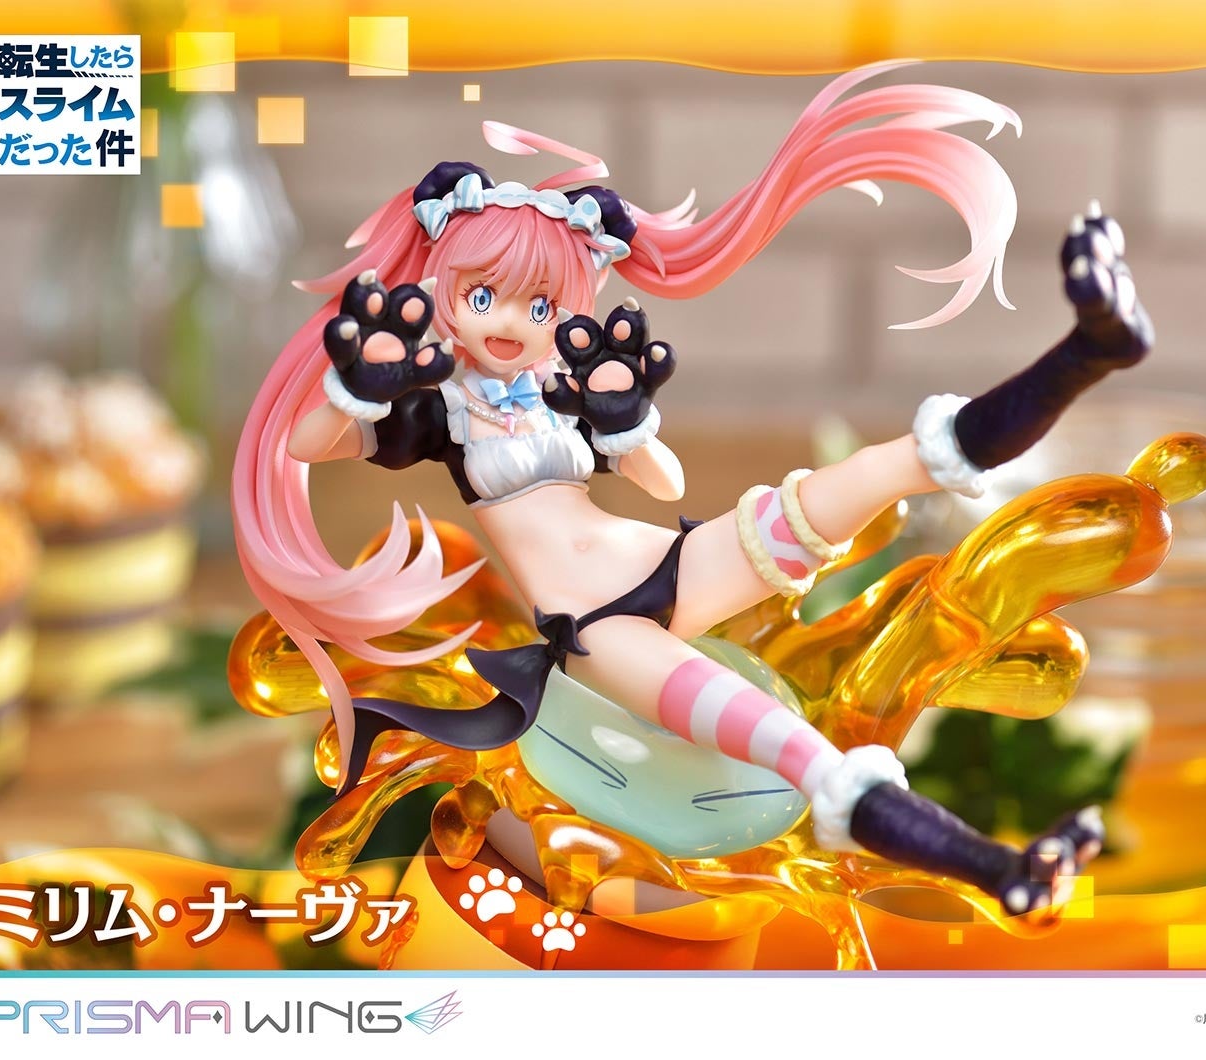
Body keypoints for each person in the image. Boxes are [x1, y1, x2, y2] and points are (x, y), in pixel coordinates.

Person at [233, 63, 1151, 918]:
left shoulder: (557, 394)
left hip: (674, 564)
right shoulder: (441, 411)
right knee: (800, 754)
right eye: (485, 297)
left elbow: (661, 480)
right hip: (598, 631)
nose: (512, 322)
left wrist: (628, 420)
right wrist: (357, 387)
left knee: (883, 468)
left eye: (541, 306)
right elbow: (311, 444)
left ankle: (1085, 352)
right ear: (443, 291)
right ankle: (1005, 871)